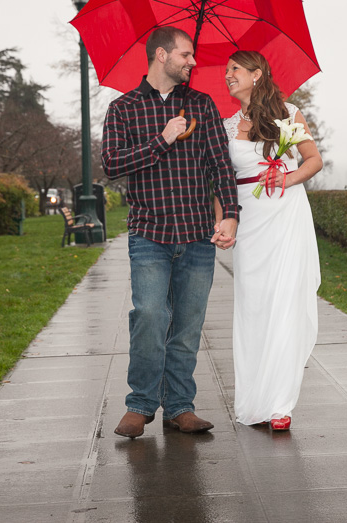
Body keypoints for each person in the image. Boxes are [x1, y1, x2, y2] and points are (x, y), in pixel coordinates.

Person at [101, 26, 240, 439]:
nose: (192, 61)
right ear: (161, 55)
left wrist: (230, 214)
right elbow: (112, 165)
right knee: (148, 314)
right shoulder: (123, 109)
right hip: (150, 234)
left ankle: (179, 406)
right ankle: (140, 404)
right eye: (186, 54)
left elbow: (220, 166)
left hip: (197, 234)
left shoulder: (202, 104)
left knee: (187, 323)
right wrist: (162, 139)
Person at [221, 50, 323, 431]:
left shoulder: (288, 114)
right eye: (226, 70)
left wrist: (286, 178)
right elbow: (222, 181)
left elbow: (312, 160)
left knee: (283, 303)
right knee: (253, 307)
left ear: (257, 73)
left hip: (285, 215)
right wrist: (223, 223)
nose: (227, 75)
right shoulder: (228, 125)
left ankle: (280, 404)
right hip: (249, 218)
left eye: (234, 69)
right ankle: (254, 399)